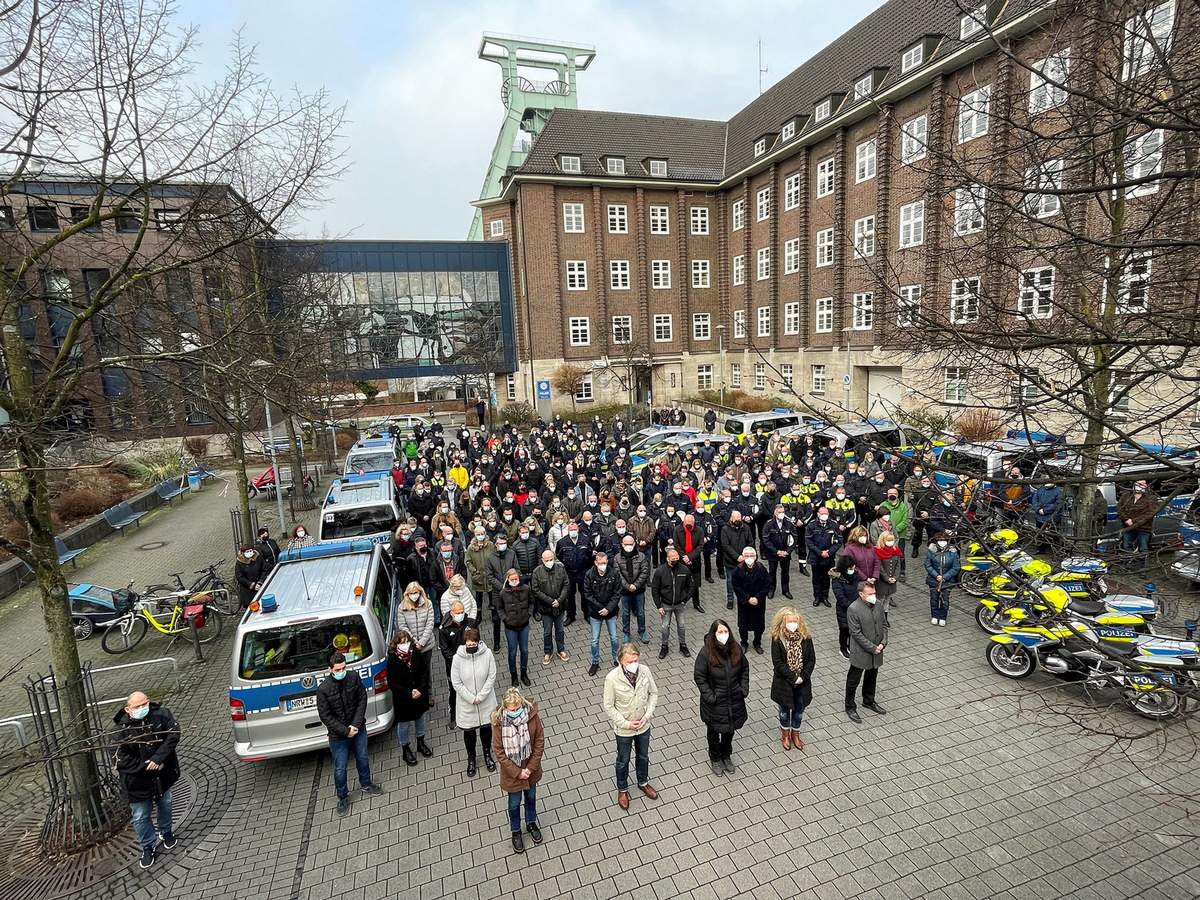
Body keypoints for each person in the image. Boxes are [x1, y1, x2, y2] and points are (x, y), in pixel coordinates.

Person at [112, 691, 181, 869]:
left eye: (144, 704)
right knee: (141, 816)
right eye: (137, 707)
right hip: (137, 784)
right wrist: (148, 765)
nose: (142, 709)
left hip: (162, 777)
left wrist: (159, 759)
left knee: (165, 803)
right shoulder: (120, 731)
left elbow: (172, 735)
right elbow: (120, 759)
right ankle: (147, 846)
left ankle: (166, 832)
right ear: (128, 709)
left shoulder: (161, 715)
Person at [316, 652, 384, 816]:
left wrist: (355, 724)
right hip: (338, 736)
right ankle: (342, 796)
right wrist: (346, 731)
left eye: (344, 668)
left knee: (362, 757)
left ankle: (366, 784)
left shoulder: (353, 678)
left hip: (358, 727)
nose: (342, 671)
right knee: (340, 767)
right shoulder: (323, 689)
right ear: (330, 670)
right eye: (338, 669)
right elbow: (325, 716)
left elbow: (362, 699)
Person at [602, 643, 659, 810]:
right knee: (623, 760)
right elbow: (608, 706)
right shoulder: (611, 678)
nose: (633, 664)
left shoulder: (645, 671)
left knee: (643, 757)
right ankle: (622, 789)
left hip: (643, 726)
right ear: (620, 661)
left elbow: (653, 693)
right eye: (629, 661)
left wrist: (647, 716)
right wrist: (626, 723)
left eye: (636, 660)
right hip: (624, 730)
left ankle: (643, 782)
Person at [491, 687, 545, 854]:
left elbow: (539, 742)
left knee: (531, 797)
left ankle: (531, 822)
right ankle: (516, 831)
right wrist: (517, 772)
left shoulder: (532, 717)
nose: (515, 712)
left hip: (530, 770)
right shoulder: (499, 724)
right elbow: (499, 752)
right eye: (511, 709)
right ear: (505, 708)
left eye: (517, 708)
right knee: (514, 804)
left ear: (522, 703)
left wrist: (530, 768)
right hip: (512, 775)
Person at [693, 619, 750, 776]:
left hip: (734, 700)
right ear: (713, 634)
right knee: (713, 732)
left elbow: (744, 668)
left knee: (729, 731)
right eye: (720, 632)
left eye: (726, 632)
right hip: (715, 703)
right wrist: (710, 696)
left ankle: (726, 756)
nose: (723, 635)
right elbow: (699, 676)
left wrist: (743, 688)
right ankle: (715, 758)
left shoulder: (736, 648)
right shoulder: (706, 653)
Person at [449, 627, 498, 777]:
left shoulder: (487, 654)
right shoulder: (457, 658)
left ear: (478, 642)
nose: (471, 647)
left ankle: (487, 754)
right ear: (465, 643)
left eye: (473, 644)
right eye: (468, 645)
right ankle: (471, 758)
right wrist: (471, 698)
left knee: (486, 730)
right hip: (467, 703)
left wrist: (481, 696)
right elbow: (456, 682)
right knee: (469, 733)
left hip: (486, 701)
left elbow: (492, 676)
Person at [768, 608, 815, 751]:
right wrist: (793, 677)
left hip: (802, 682)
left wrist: (803, 676)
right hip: (784, 682)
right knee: (784, 709)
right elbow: (778, 663)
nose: (793, 624)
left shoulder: (805, 637)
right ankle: (785, 734)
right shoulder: (777, 639)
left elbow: (811, 659)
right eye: (790, 621)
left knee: (799, 709)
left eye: (795, 621)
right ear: (783, 622)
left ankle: (795, 733)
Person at [386, 629, 433, 765]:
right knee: (404, 724)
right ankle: (406, 749)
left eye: (407, 641)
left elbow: (425, 671)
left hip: (419, 695)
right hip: (403, 699)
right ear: (396, 645)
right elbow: (392, 683)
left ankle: (421, 742)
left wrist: (420, 689)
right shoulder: (392, 660)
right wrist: (409, 693)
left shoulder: (416, 653)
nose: (405, 645)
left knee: (420, 718)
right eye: (402, 643)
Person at [845, 581, 888, 724]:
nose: (873, 596)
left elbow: (883, 624)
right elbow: (855, 633)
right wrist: (872, 647)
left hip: (877, 649)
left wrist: (883, 642)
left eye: (874, 593)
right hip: (861, 652)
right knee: (853, 679)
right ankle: (850, 706)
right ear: (861, 594)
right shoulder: (854, 609)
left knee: (872, 676)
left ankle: (869, 700)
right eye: (870, 594)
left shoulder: (879, 605)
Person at [584, 550, 621, 676]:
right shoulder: (589, 574)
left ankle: (616, 659)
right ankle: (595, 662)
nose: (603, 565)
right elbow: (587, 594)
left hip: (611, 611)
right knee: (594, 640)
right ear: (595, 563)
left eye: (605, 562)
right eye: (600, 563)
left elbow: (617, 593)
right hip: (595, 612)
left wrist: (608, 609)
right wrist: (600, 608)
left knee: (614, 637)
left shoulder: (614, 573)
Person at [651, 547, 693, 659]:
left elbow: (691, 586)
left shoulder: (684, 570)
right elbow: (655, 589)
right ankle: (664, 646)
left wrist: (685, 599)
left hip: (680, 604)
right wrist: (658, 606)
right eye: (673, 559)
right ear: (667, 559)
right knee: (665, 626)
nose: (675, 560)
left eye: (677, 558)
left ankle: (683, 645)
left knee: (682, 625)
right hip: (666, 604)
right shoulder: (660, 571)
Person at [438, 600, 474, 726]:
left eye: (462, 612)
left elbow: (476, 639)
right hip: (454, 665)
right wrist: (457, 660)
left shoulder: (470, 623)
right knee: (454, 691)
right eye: (458, 612)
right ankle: (453, 714)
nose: (461, 614)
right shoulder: (444, 628)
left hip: (470, 661)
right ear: (451, 613)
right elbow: (444, 649)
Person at [531, 548, 570, 664]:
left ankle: (561, 650)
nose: (549, 562)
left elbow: (566, 584)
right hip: (546, 608)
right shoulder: (537, 572)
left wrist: (559, 600)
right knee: (547, 632)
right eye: (546, 560)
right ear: (542, 560)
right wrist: (550, 601)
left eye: (551, 559)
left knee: (560, 630)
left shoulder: (561, 569)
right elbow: (535, 590)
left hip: (560, 606)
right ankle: (548, 652)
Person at [496, 568, 533, 687]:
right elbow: (499, 608)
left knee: (525, 650)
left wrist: (529, 614)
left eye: (516, 579)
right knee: (512, 652)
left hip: (524, 625)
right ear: (508, 580)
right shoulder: (503, 593)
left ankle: (524, 673)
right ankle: (513, 675)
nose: (514, 581)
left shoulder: (526, 589)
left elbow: (532, 602)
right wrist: (505, 619)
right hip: (510, 627)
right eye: (512, 579)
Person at [731, 545, 771, 653]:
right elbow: (736, 587)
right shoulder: (738, 570)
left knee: (759, 625)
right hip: (744, 603)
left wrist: (758, 598)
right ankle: (744, 643)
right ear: (743, 557)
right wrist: (747, 598)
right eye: (747, 555)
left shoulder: (761, 568)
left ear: (756, 556)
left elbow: (767, 585)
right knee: (743, 625)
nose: (749, 557)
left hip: (759, 602)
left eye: (751, 555)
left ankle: (757, 642)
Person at [616, 534, 651, 644]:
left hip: (639, 590)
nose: (628, 546)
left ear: (634, 544)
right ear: (622, 544)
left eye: (630, 544)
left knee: (640, 613)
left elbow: (645, 572)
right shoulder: (617, 558)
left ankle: (642, 631)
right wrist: (628, 586)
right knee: (625, 614)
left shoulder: (641, 556)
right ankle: (626, 633)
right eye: (626, 544)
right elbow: (618, 574)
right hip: (625, 592)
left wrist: (636, 585)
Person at [805, 506, 841, 608]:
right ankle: (817, 597)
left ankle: (825, 597)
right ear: (818, 514)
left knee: (826, 578)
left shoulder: (833, 525)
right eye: (822, 513)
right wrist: (820, 552)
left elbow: (839, 541)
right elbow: (809, 541)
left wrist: (829, 552)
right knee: (816, 578)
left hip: (829, 557)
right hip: (815, 557)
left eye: (826, 513)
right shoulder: (811, 525)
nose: (824, 515)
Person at [1117, 480, 1158, 571]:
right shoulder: (1126, 495)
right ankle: (1125, 566)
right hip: (1127, 527)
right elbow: (1119, 508)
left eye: (1143, 484)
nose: (1141, 486)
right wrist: (1126, 519)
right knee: (1127, 547)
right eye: (1139, 484)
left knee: (1143, 548)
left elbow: (1150, 513)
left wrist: (1134, 521)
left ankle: (1143, 569)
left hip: (1144, 528)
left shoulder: (1151, 498)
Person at [924, 531, 960, 627]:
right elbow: (928, 565)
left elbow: (956, 567)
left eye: (944, 540)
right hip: (934, 579)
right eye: (940, 540)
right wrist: (936, 575)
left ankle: (943, 616)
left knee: (945, 599)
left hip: (947, 581)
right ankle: (935, 615)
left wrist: (945, 577)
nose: (942, 542)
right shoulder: (932, 550)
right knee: (934, 598)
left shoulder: (953, 552)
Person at [832, 554, 860, 661]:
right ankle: (843, 648)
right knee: (844, 629)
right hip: (844, 609)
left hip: (855, 607)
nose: (852, 569)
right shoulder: (837, 579)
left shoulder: (855, 575)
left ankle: (850, 646)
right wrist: (851, 606)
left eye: (853, 567)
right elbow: (840, 596)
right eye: (850, 568)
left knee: (853, 629)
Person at [874, 531, 903, 610]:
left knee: (887, 600)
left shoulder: (896, 550)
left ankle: (885, 618)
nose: (891, 542)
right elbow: (879, 567)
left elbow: (898, 565)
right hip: (881, 581)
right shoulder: (877, 551)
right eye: (888, 540)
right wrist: (887, 578)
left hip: (892, 581)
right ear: (883, 540)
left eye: (892, 540)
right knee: (879, 600)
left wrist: (895, 577)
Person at [233, 543, 267, 609]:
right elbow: (240, 577)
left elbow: (264, 570)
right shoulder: (239, 563)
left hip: (260, 587)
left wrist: (260, 582)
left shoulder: (258, 558)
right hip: (247, 592)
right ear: (243, 553)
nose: (250, 552)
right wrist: (252, 585)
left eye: (250, 551)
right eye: (247, 552)